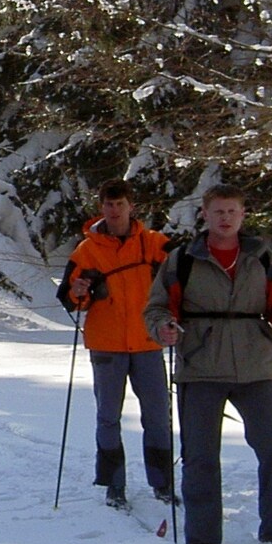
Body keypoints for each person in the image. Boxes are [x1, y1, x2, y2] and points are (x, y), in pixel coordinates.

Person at [145, 183, 272, 544]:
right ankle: (202, 541)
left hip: (256, 365)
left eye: (232, 211)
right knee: (200, 458)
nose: (225, 218)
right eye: (218, 211)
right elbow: (156, 308)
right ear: (205, 214)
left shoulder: (262, 256)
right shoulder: (183, 258)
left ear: (243, 214)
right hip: (200, 365)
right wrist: (163, 328)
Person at [55, 179, 171, 510]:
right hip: (106, 345)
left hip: (148, 342)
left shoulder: (153, 244)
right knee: (108, 417)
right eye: (109, 204)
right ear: (101, 207)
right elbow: (69, 299)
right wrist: (78, 293)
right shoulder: (86, 251)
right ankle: (114, 484)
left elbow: (182, 272)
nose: (115, 210)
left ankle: (162, 484)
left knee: (158, 416)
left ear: (131, 206)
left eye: (120, 204)